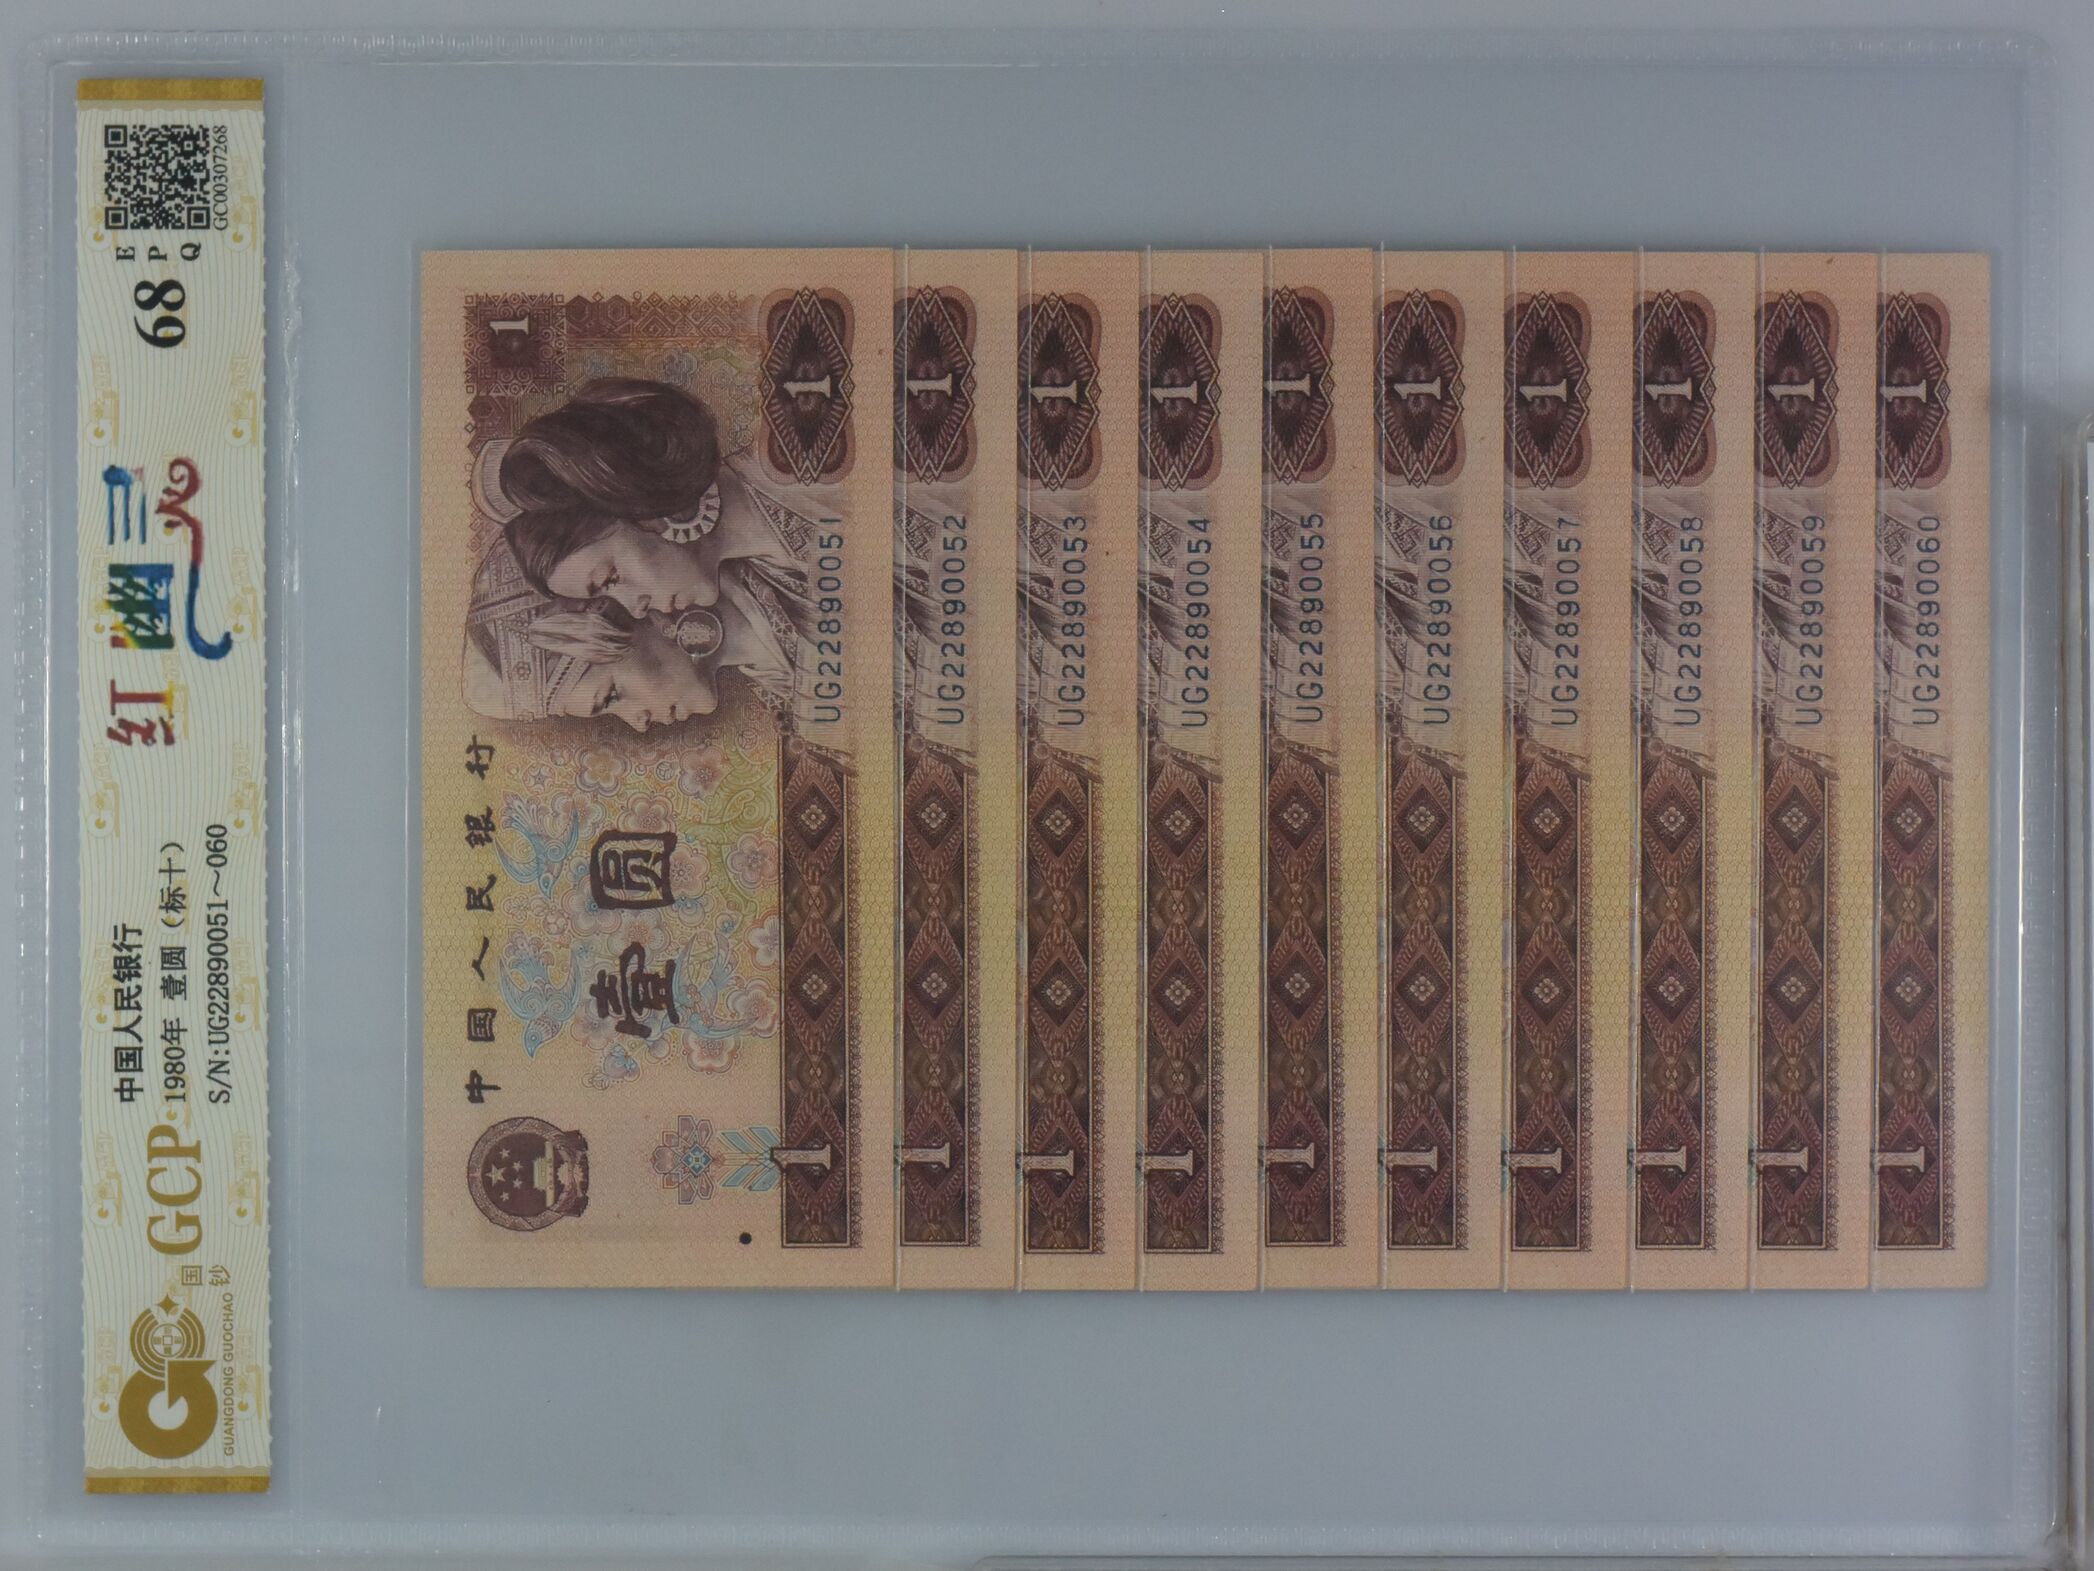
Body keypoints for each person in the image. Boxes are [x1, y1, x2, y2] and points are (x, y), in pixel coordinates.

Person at [473, 377, 817, 715]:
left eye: (610, 579)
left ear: (637, 510)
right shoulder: (771, 583)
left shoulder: (804, 472)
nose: (636, 612)